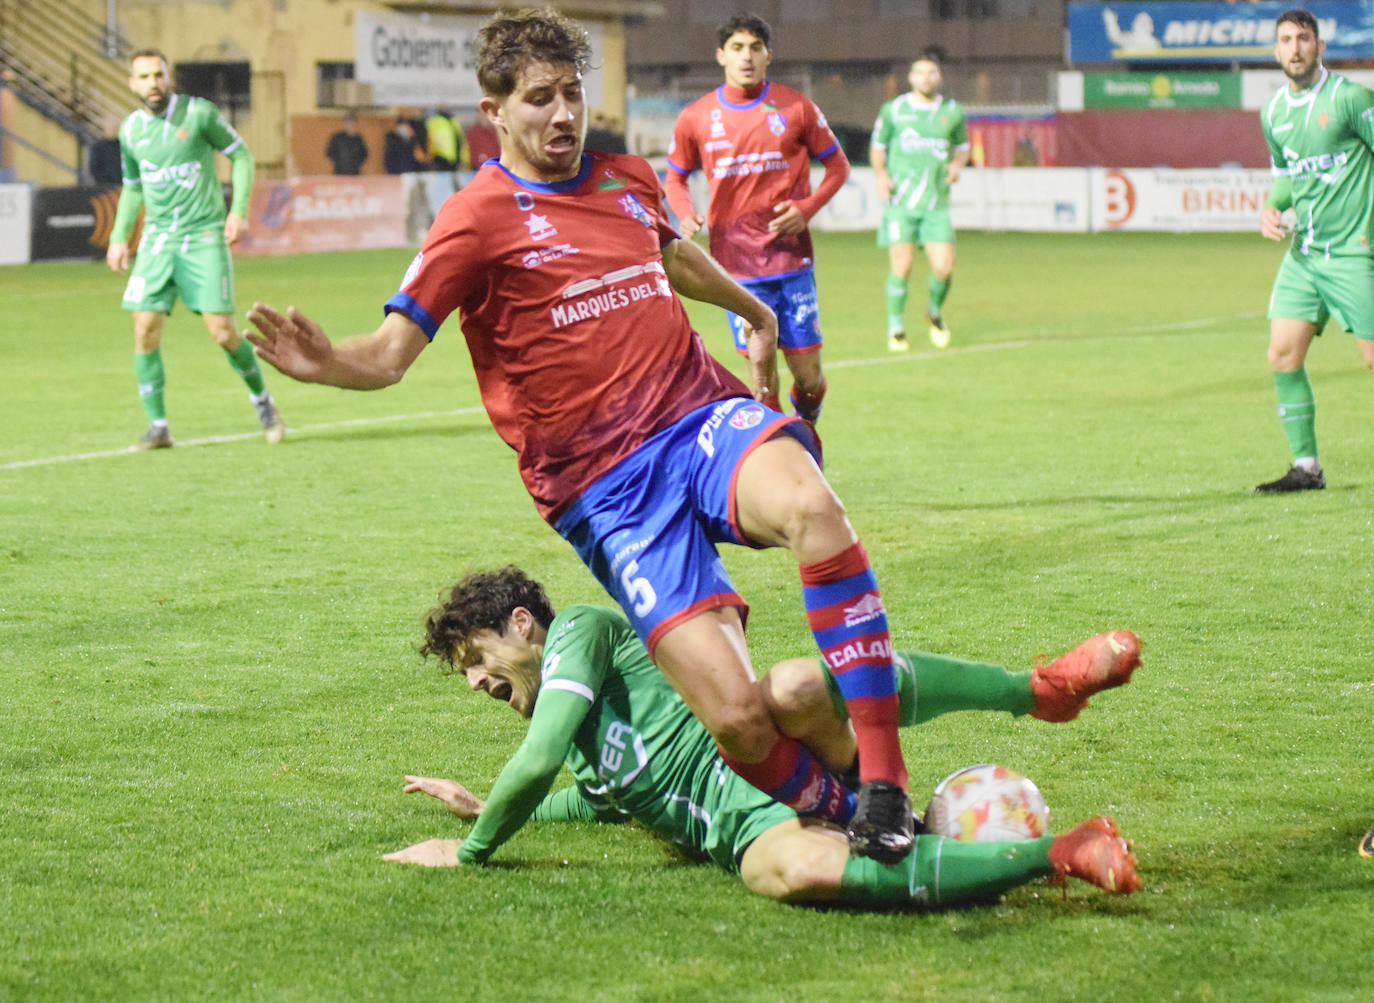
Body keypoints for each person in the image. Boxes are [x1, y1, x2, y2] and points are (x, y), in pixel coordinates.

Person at [247, 9, 916, 862]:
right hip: (605, 491)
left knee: (812, 508)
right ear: (494, 110)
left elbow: (672, 253)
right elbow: (387, 355)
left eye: (572, 93)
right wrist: (325, 363)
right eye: (540, 98)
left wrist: (753, 310)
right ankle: (851, 809)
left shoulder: (625, 178)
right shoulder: (474, 218)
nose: (564, 113)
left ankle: (887, 785)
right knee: (739, 719)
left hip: (694, 415)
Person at [382, 566, 1143, 908]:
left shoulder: (580, 631)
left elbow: (537, 759)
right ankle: (1061, 852)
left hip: (782, 755)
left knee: (794, 686)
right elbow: (592, 800)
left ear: (523, 625)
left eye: (477, 658)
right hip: (754, 827)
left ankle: (1035, 691)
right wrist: (481, 804)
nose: (475, 681)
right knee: (789, 872)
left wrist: (472, 847)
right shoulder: (581, 742)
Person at [664, 12, 849, 426]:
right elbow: (675, 177)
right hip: (735, 266)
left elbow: (838, 167)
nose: (746, 57)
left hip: (790, 261)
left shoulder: (796, 107)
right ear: (721, 56)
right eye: (737, 48)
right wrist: (685, 213)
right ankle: (784, 442)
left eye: (755, 48)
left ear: (768, 55)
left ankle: (807, 417)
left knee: (808, 376)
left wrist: (806, 208)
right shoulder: (697, 116)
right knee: (761, 377)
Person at [106, 48, 284, 450]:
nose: (153, 83)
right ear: (132, 84)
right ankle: (158, 427)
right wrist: (118, 237)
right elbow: (133, 187)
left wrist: (238, 211)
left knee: (222, 333)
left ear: (168, 77)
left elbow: (241, 156)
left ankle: (264, 403)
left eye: (158, 75)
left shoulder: (198, 114)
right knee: (144, 329)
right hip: (158, 241)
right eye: (144, 77)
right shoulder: (130, 130)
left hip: (203, 236)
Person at [1254, 8, 1374, 493]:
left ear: (1320, 47)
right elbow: (1286, 175)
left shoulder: (1351, 99)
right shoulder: (1273, 114)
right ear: (1276, 51)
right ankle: (1306, 468)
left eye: (1304, 38)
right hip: (1305, 255)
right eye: (1286, 39)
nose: (1295, 47)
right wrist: (1271, 206)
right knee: (1282, 353)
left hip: (1354, 253)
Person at [870, 52, 970, 353]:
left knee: (944, 267)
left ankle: (934, 312)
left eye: (931, 72)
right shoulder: (894, 110)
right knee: (901, 266)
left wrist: (957, 164)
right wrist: (881, 175)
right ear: (911, 77)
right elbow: (878, 146)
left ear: (939, 77)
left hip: (936, 203)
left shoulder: (952, 111)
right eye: (920, 72)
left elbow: (963, 147)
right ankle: (896, 329)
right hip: (901, 202)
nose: (926, 78)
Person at [325, 111, 369, 176]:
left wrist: (356, 164)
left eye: (351, 122)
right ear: (343, 123)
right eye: (347, 122)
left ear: (355, 123)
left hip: (354, 172)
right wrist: (339, 162)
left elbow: (364, 154)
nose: (349, 124)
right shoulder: (337, 137)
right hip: (339, 171)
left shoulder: (358, 138)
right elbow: (329, 152)